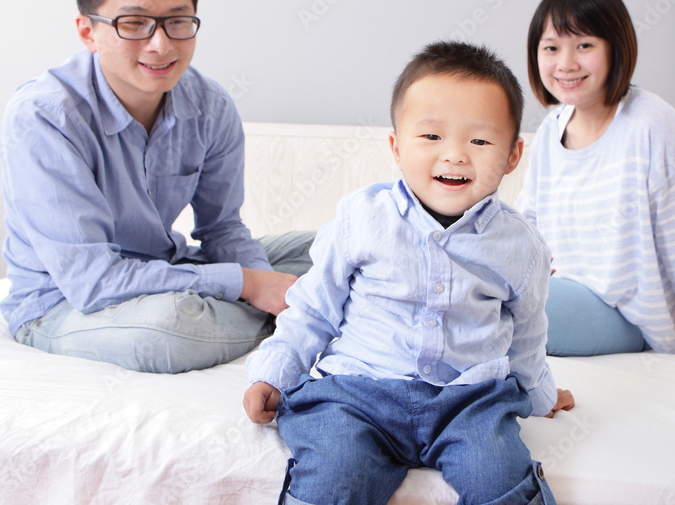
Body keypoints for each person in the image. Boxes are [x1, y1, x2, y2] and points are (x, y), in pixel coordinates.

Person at [243, 41, 574, 505]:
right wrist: (274, 374)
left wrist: (542, 394)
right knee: (334, 469)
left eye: (479, 141)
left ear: (513, 156)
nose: (455, 155)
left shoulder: (521, 246)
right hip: (357, 394)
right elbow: (313, 310)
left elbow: (527, 335)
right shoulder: (362, 218)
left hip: (469, 400)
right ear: (397, 147)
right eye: (432, 137)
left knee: (497, 471)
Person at [0, 0, 312, 374]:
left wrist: (260, 280)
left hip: (167, 269)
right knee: (169, 333)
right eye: (134, 24)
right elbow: (93, 282)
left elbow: (222, 230)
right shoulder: (43, 116)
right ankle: (311, 316)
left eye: (178, 22)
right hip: (65, 303)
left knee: (331, 248)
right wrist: (247, 282)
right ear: (88, 31)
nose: (161, 44)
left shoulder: (209, 104)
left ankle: (294, 310)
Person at [515, 0, 675, 364]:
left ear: (616, 48)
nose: (566, 63)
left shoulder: (652, 125)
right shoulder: (550, 130)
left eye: (584, 45)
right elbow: (524, 225)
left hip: (629, 315)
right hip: (565, 290)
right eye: (551, 47)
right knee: (478, 286)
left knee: (500, 308)